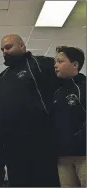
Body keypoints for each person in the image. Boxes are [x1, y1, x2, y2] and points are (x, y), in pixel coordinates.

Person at [0, 34, 60, 186]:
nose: (4, 51)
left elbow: (66, 87)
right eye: (2, 49)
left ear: (22, 45)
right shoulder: (2, 77)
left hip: (42, 143)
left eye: (9, 47)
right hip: (13, 147)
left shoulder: (42, 64)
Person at [53, 46, 86, 187]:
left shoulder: (84, 87)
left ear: (75, 64)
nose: (55, 65)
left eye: (60, 61)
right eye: (55, 62)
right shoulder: (56, 92)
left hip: (83, 155)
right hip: (62, 157)